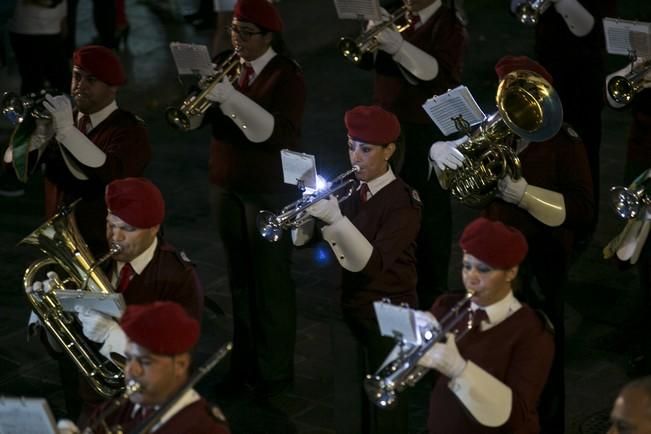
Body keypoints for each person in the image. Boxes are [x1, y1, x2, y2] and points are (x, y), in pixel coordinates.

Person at [429, 55, 594, 432]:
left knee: (540, 355)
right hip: (490, 263)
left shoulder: (563, 142)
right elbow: (452, 181)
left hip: (539, 262)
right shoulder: (493, 134)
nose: (506, 116)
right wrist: (437, 152)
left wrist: (525, 196)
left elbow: (583, 209)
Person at [195, 0, 305, 398]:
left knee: (271, 281)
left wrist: (230, 98)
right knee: (239, 279)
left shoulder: (286, 74)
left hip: (266, 189)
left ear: (269, 35)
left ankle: (274, 373)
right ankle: (243, 366)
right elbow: (197, 119)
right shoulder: (227, 62)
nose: (237, 40)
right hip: (225, 184)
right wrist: (200, 93)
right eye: (234, 31)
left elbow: (277, 133)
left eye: (246, 33)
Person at [30, 177, 204, 423]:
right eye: (111, 224)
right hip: (92, 405)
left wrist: (114, 335)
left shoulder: (178, 278)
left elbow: (178, 361)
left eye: (128, 229)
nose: (116, 237)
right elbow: (62, 350)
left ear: (154, 228)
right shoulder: (95, 260)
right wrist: (50, 315)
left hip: (147, 410)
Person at [293, 105, 421, 434]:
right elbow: (302, 242)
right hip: (347, 305)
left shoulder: (404, 202)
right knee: (349, 400)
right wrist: (304, 215)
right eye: (351, 146)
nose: (355, 158)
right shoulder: (349, 190)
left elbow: (372, 263)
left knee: (387, 406)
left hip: (391, 312)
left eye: (365, 149)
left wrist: (335, 219)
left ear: (389, 150)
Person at [355, 0, 468, 309]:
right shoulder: (399, 14)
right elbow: (366, 60)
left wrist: (396, 44)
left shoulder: (449, 24)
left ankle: (431, 299)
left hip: (426, 134)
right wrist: (372, 37)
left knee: (427, 216)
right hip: (388, 130)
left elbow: (438, 75)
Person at [414, 216, 554, 434]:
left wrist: (459, 369)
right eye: (466, 266)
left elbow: (516, 414)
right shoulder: (446, 306)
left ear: (511, 272)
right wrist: (411, 338)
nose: (471, 277)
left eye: (484, 269)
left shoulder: (532, 332)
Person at [40, 44, 151, 256]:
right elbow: (12, 168)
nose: (79, 86)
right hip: (60, 243)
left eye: (91, 80)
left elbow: (112, 173)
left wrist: (67, 132)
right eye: (76, 77)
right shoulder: (64, 119)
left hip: (103, 246)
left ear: (113, 88)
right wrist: (34, 136)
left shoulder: (130, 130)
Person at [58, 301, 230, 434]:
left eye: (145, 361)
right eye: (130, 358)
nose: (131, 370)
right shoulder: (119, 408)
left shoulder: (207, 429)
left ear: (180, 365)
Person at [532, 0, 617, 236]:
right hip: (548, 72)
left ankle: (580, 222)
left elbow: (587, 29)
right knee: (547, 149)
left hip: (582, 81)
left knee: (582, 151)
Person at [7, 0, 70, 96]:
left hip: (54, 30)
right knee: (33, 81)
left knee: (62, 80)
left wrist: (62, 24)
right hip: (28, 32)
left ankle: (63, 107)